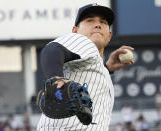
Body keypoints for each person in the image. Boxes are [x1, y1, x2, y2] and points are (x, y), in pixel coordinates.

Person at [37, 3, 134, 131]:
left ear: (109, 35)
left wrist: (107, 68)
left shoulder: (95, 62)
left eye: (103, 22)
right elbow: (52, 50)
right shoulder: (84, 42)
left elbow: (86, 71)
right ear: (75, 31)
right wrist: (55, 78)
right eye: (90, 20)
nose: (98, 24)